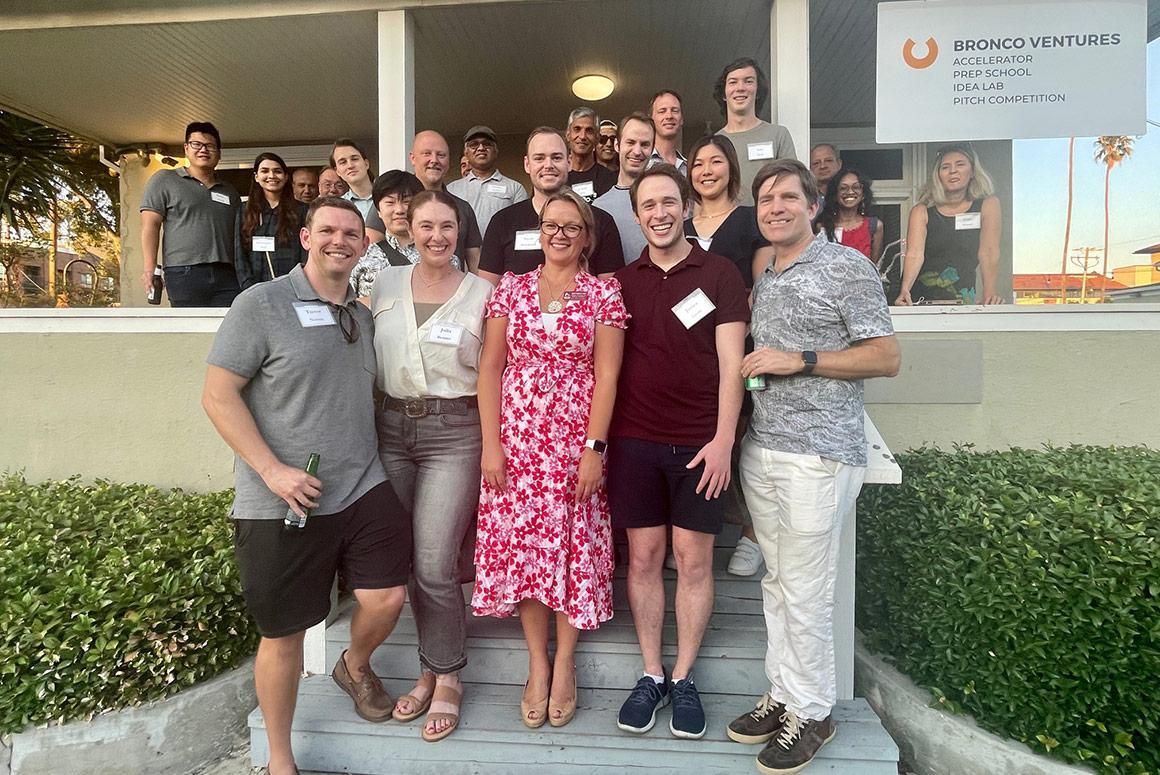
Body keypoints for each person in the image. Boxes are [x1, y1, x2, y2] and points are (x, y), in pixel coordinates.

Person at [201, 197, 411, 775]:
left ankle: (355, 664)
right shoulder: (260, 304)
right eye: (328, 231)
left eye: (351, 232)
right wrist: (272, 471)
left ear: (364, 243)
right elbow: (217, 396)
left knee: (388, 597)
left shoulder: (362, 316)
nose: (340, 240)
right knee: (286, 634)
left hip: (363, 483)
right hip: (284, 499)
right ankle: (279, 759)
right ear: (305, 236)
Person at [729, 159, 899, 774]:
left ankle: (815, 711)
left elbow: (885, 357)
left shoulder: (846, 266)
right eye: (766, 198)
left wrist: (799, 358)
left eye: (788, 197)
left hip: (818, 453)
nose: (775, 207)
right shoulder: (768, 269)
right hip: (766, 445)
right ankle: (784, 694)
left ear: (813, 205)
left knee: (808, 589)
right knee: (778, 582)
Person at [472, 189, 628, 730]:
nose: (559, 234)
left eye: (570, 226)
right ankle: (536, 663)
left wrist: (594, 449)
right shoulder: (509, 291)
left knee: (568, 548)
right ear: (538, 232)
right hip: (515, 444)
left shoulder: (603, 295)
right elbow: (489, 368)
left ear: (587, 236)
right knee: (528, 554)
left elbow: (608, 375)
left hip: (572, 444)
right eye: (550, 225)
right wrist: (492, 444)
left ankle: (566, 664)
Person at [609, 164, 748, 740]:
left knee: (692, 561)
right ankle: (651, 672)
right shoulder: (621, 280)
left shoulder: (719, 274)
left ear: (686, 206)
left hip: (700, 444)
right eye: (649, 205)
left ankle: (685, 677)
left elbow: (732, 365)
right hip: (635, 442)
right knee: (642, 560)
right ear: (637, 215)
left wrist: (724, 441)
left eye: (670, 202)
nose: (660, 213)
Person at [371, 189, 493, 742]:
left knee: (435, 562)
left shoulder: (484, 293)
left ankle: (446, 678)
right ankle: (428, 663)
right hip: (391, 430)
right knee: (406, 560)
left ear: (460, 230)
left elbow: (497, 376)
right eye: (426, 226)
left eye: (448, 225)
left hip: (455, 433)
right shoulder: (383, 285)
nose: (437, 236)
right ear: (408, 229)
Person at [479, 127, 625, 284]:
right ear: (527, 164)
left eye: (556, 158)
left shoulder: (600, 221)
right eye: (539, 158)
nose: (548, 165)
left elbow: (609, 290)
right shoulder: (502, 222)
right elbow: (488, 291)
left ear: (569, 163)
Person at [139, 121, 241, 306]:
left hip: (227, 273)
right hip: (183, 272)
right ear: (186, 148)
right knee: (188, 325)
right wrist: (150, 268)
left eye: (210, 146)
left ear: (219, 153)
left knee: (225, 328)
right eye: (197, 144)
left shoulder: (229, 191)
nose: (203, 150)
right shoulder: (165, 180)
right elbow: (150, 225)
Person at [897, 144, 1002, 305]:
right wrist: (904, 289)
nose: (953, 171)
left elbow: (988, 251)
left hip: (963, 295)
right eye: (945, 167)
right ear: (938, 175)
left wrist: (989, 293)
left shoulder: (988, 205)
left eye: (960, 164)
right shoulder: (922, 211)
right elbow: (915, 254)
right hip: (922, 297)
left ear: (972, 170)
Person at [367, 131, 483, 272]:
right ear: (413, 158)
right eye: (427, 154)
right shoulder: (391, 203)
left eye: (441, 155)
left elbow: (474, 260)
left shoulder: (462, 207)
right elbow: (371, 252)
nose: (434, 160)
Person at [683, 135, 773, 289]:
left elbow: (763, 289)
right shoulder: (681, 229)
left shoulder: (752, 219)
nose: (706, 171)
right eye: (698, 164)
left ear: (731, 169)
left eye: (716, 162)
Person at [715, 58, 797, 207]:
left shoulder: (778, 135)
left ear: (758, 91)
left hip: (769, 221)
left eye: (748, 81)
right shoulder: (715, 142)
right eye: (733, 82)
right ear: (723, 94)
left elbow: (792, 183)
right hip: (727, 223)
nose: (740, 88)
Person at [350, 170, 432, 298]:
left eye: (407, 202)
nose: (399, 210)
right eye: (390, 202)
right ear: (378, 211)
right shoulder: (360, 257)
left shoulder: (439, 255)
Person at [237, 153, 307, 289]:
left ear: (286, 177)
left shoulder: (302, 210)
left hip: (293, 286)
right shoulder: (245, 210)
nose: (271, 176)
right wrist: (248, 286)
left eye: (277, 171)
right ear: (256, 176)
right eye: (264, 171)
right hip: (255, 288)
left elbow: (306, 252)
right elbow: (239, 253)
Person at [593, 113, 656, 264]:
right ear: (617, 145)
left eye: (645, 144)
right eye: (630, 142)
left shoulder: (664, 201)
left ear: (653, 149)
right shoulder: (599, 207)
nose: (637, 151)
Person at [447, 125, 529, 237]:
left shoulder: (515, 188)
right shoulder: (451, 189)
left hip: (501, 253)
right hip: (462, 253)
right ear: (466, 153)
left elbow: (522, 227)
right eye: (474, 144)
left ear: (496, 151)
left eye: (487, 144)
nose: (481, 148)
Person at [818, 167, 884, 264]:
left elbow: (874, 266)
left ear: (864, 194)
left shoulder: (874, 226)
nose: (850, 192)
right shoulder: (822, 226)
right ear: (835, 195)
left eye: (856, 187)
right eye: (843, 188)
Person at [565, 107, 618, 202]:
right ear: (568, 135)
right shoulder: (557, 177)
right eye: (577, 129)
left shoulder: (610, 179)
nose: (582, 136)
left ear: (597, 137)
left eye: (589, 130)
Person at [648, 90, 687, 176]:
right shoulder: (642, 162)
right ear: (651, 119)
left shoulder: (689, 168)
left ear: (682, 119)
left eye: (675, 110)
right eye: (662, 111)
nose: (669, 116)